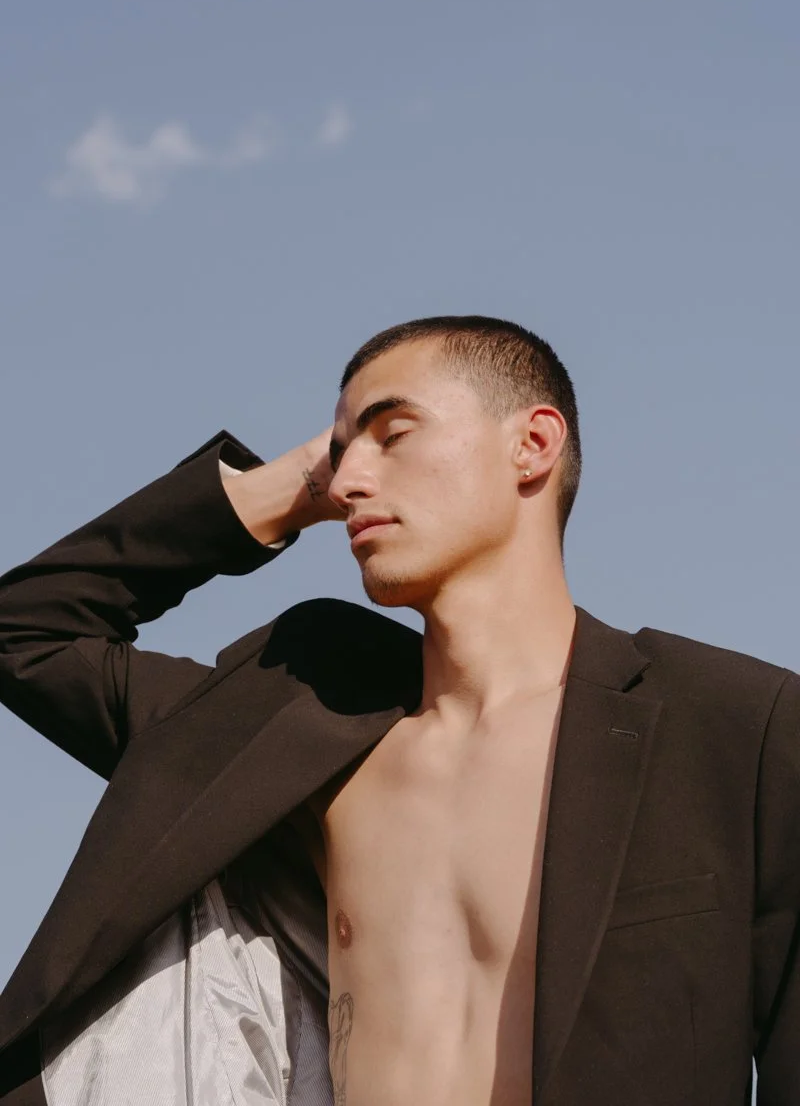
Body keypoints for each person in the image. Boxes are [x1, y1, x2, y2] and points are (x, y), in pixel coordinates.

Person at [0, 316, 797, 1106]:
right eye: (340, 456)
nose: (347, 484)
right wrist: (287, 489)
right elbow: (26, 632)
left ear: (534, 445)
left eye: (394, 433)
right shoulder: (297, 725)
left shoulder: (734, 727)